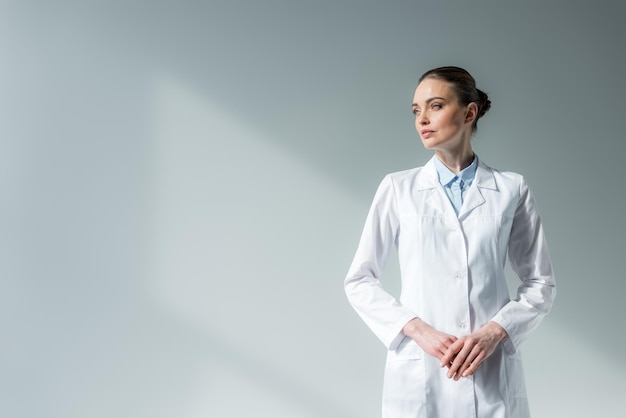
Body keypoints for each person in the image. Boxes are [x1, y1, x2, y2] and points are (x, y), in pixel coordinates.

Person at [344, 66, 556, 418]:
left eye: (435, 106)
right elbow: (359, 281)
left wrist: (494, 332)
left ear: (469, 113)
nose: (422, 119)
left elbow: (540, 284)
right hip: (420, 369)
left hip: (489, 372)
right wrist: (418, 331)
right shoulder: (399, 189)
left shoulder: (511, 189)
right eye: (416, 110)